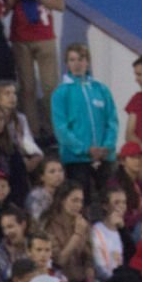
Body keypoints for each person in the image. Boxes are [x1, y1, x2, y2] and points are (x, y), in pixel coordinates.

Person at [0, 0, 65, 140]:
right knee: (26, 89)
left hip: (44, 37)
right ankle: (32, 133)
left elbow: (60, 4)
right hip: (20, 39)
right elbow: (3, 11)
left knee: (50, 87)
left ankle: (55, 132)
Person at [50, 44, 117, 194]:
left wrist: (107, 146)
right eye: (72, 60)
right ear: (67, 63)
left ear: (87, 62)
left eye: (81, 59)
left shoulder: (101, 89)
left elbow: (112, 121)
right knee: (80, 200)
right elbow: (61, 128)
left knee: (109, 199)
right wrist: (84, 149)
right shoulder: (61, 93)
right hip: (76, 159)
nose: (77, 64)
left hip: (105, 157)